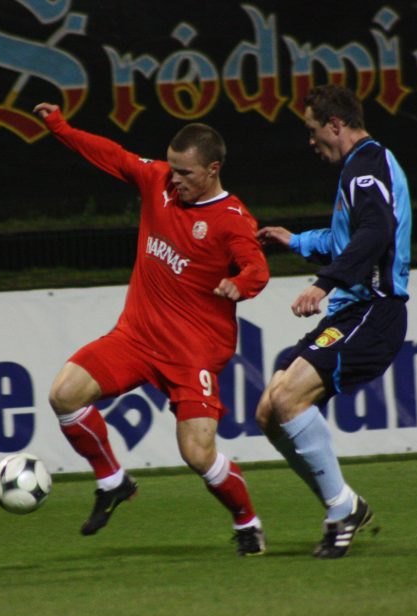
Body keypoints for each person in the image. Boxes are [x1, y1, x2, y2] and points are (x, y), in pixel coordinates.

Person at [33, 102, 270, 556]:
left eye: (185, 172)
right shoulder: (158, 181)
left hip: (192, 352)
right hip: (137, 337)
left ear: (213, 169)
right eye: (172, 167)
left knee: (197, 454)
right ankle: (112, 480)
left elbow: (257, 268)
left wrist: (240, 285)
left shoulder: (231, 218)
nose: (174, 178)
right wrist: (60, 127)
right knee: (64, 395)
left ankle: (248, 523)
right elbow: (112, 155)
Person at [255, 84, 411, 559]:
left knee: (288, 397)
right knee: (269, 411)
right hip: (353, 312)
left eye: (312, 130)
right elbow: (349, 239)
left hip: (374, 311)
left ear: (335, 125)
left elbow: (375, 233)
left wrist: (323, 284)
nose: (310, 140)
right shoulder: (360, 168)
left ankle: (341, 510)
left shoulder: (367, 167)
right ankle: (343, 503)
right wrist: (296, 241)